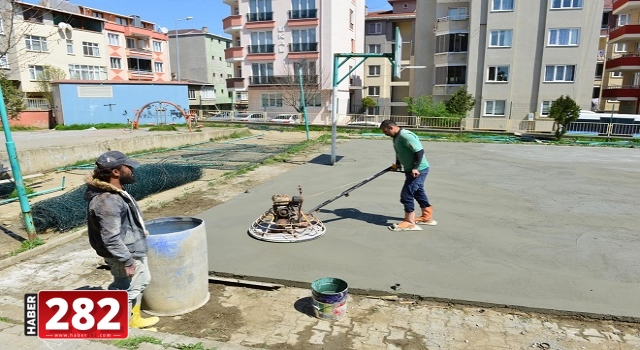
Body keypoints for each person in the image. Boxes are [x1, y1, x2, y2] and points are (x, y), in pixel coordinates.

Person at [84, 150, 159, 330]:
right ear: (116, 172)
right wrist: (127, 260)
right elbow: (110, 238)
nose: (132, 170)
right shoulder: (107, 200)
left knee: (140, 281)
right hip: (124, 254)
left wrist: (139, 231)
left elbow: (123, 222)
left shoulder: (114, 192)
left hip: (130, 247)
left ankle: (134, 318)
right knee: (125, 287)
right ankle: (123, 324)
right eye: (128, 167)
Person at [380, 120, 437, 231]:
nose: (385, 134)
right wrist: (397, 164)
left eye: (385, 131)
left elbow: (419, 151)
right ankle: (427, 217)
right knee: (418, 192)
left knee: (406, 194)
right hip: (410, 170)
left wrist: (415, 167)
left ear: (391, 127)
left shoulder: (405, 136)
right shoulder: (396, 137)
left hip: (418, 170)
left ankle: (409, 222)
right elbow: (399, 152)